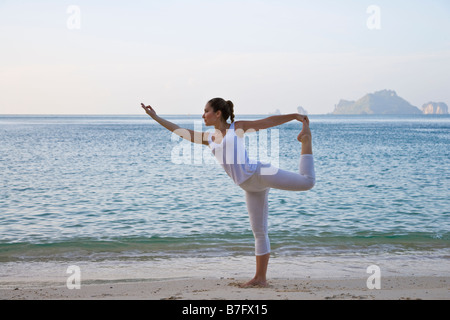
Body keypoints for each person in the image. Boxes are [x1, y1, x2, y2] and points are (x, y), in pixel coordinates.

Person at [141, 98, 315, 287]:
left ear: (218, 113)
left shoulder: (236, 128)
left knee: (307, 182)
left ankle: (306, 140)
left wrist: (294, 116)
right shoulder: (209, 138)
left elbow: (267, 122)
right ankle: (260, 278)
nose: (202, 115)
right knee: (259, 232)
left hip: (259, 173)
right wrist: (155, 117)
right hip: (248, 186)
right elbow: (181, 132)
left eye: (206, 111)